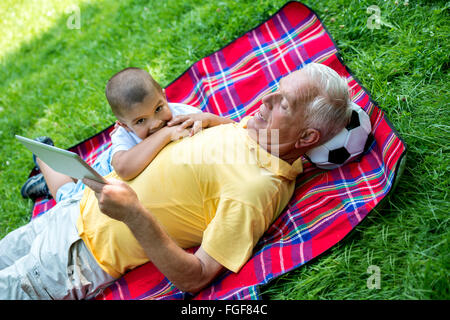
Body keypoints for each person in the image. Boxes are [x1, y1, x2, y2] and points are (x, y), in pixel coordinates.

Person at [0, 63, 352, 299]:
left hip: (82, 255)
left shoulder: (257, 189)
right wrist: (212, 122)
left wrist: (134, 214)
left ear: (306, 138)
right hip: (77, 205)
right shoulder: (253, 129)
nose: (264, 99)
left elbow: (196, 277)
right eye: (274, 89)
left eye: (283, 105)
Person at [20, 67, 231, 202]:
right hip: (106, 174)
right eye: (140, 121)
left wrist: (210, 119)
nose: (156, 122)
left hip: (120, 166)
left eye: (159, 108)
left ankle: (53, 170)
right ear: (124, 125)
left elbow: (232, 127)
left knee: (78, 167)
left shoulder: (181, 114)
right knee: (67, 195)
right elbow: (124, 169)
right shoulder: (125, 135)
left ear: (164, 97)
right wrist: (166, 133)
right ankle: (44, 160)